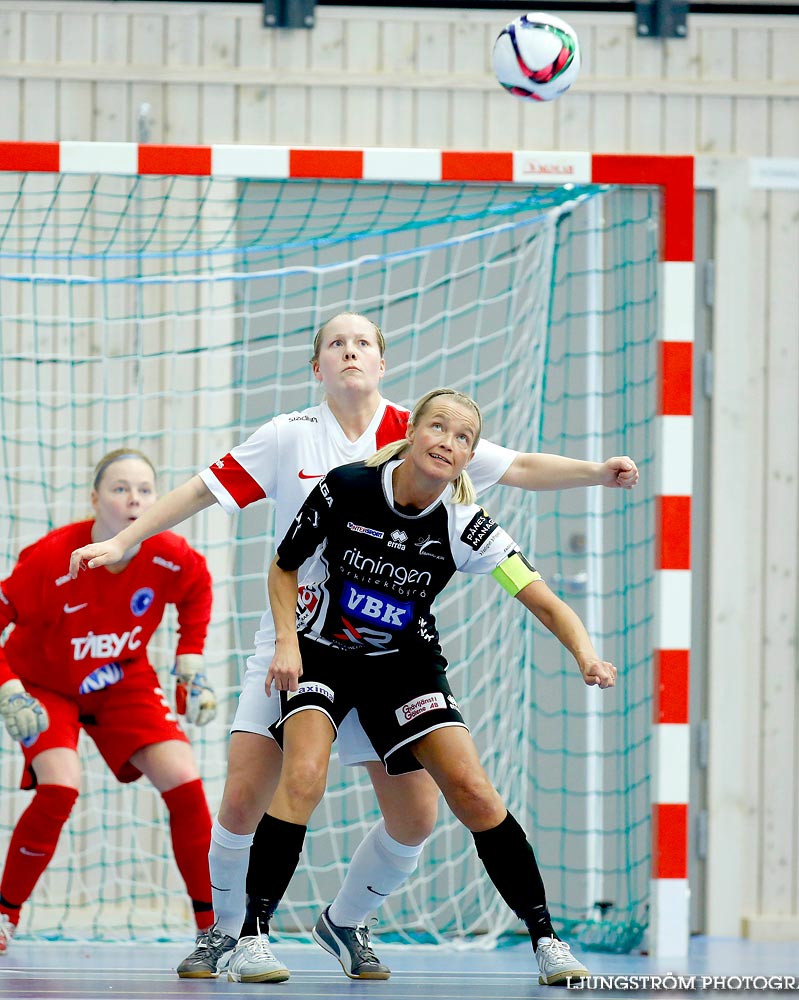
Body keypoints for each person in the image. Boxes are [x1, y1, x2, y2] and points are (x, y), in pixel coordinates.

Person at [68, 312, 637, 981]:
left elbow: (519, 469)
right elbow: (202, 490)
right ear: (317, 366)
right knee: (247, 793)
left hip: (391, 656)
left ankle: (346, 921)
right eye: (334, 343)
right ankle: (228, 931)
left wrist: (596, 473)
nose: (348, 351)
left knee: (420, 812)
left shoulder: (425, 433)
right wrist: (123, 540)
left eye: (361, 341)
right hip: (300, 638)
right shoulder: (290, 438)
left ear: (382, 361)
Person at [229, 387, 616, 986]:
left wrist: (586, 653)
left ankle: (546, 941)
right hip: (322, 653)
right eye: (439, 428)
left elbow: (542, 600)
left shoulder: (467, 524)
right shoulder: (346, 487)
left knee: (473, 791)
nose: (449, 442)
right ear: (412, 433)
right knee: (303, 775)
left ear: (468, 459)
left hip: (403, 666)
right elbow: (283, 567)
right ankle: (251, 936)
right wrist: (285, 642)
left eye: (463, 438)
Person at [0, 449, 217, 956]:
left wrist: (190, 661)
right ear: (94, 498)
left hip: (121, 680)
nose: (134, 499)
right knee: (60, 788)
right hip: (44, 683)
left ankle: (212, 927)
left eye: (144, 489)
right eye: (120, 489)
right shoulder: (50, 558)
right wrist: (8, 688)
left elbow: (197, 589)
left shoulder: (170, 553)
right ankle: (4, 914)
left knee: (186, 783)